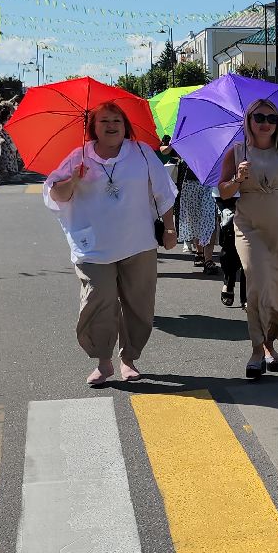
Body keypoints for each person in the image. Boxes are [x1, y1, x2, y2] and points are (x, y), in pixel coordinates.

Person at [44, 103, 177, 387]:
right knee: (98, 300)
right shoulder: (78, 156)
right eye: (104, 120)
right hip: (94, 246)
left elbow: (163, 192)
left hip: (138, 243)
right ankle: (104, 362)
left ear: (125, 124)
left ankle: (129, 358)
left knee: (138, 304)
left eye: (117, 119)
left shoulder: (141, 152)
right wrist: (74, 179)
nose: (111, 125)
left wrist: (169, 228)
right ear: (93, 126)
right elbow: (56, 193)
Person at [218, 99, 278, 379]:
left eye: (271, 117)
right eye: (259, 117)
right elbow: (223, 192)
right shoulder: (236, 152)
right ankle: (257, 349)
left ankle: (270, 343)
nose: (265, 122)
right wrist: (237, 179)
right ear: (249, 120)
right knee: (256, 280)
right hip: (249, 225)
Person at [168, 137, 220, 275]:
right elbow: (176, 154)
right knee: (195, 219)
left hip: (210, 182)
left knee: (209, 220)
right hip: (191, 182)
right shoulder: (188, 135)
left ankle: (208, 259)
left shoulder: (217, 136)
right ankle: (199, 252)